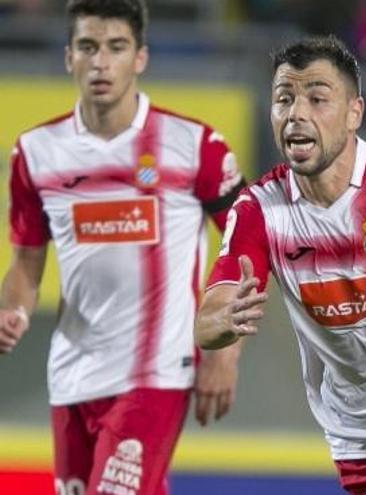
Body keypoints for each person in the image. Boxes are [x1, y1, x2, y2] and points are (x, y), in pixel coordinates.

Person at [194, 35, 366, 495]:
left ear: (354, 112)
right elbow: (208, 319)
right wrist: (225, 317)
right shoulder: (260, 209)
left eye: (317, 98)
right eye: (284, 99)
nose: (296, 113)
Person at [0, 1, 246, 494]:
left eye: (116, 47)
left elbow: (249, 242)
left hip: (155, 373)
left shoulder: (194, 145)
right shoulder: (36, 152)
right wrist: (14, 311)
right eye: (88, 47)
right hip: (71, 375)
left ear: (140, 58)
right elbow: (26, 266)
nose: (101, 62)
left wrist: (224, 352)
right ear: (69, 56)